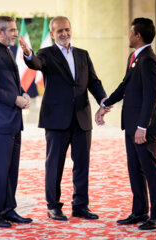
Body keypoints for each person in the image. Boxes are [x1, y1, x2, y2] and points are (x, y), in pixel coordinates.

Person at [18, 16, 107, 221]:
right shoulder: (45, 54)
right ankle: (53, 206)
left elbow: (93, 81)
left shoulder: (83, 55)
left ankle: (80, 206)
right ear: (52, 34)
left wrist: (103, 100)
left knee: (82, 164)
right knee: (55, 164)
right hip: (56, 119)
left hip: (82, 118)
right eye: (59, 31)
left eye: (67, 29)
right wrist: (28, 53)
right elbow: (36, 63)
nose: (64, 33)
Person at [96, 17, 156, 230]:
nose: (128, 35)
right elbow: (124, 86)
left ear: (138, 36)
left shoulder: (148, 60)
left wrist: (142, 127)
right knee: (135, 169)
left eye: (130, 31)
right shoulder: (134, 57)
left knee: (149, 170)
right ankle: (140, 211)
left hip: (143, 127)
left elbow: (150, 96)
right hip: (131, 124)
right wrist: (105, 103)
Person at [0, 16, 32, 228]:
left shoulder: (8, 52)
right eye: (11, 30)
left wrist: (23, 93)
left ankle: (9, 210)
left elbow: (10, 84)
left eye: (15, 29)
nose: (15, 34)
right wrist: (15, 99)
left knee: (11, 170)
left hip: (12, 122)